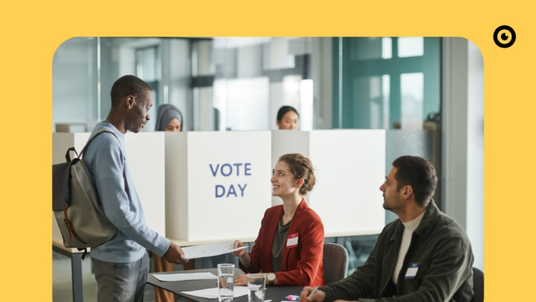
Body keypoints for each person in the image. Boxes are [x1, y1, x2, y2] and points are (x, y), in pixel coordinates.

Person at [300, 155, 474, 302]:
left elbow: (429, 298)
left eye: (388, 182)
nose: (381, 188)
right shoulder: (392, 231)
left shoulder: (451, 240)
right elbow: (365, 278)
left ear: (406, 192)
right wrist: (325, 292)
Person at [83, 75, 189, 302]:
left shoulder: (115, 138)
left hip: (133, 254)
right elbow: (118, 211)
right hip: (118, 260)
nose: (149, 115)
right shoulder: (107, 143)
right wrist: (162, 246)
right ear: (130, 102)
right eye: (147, 107)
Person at [231, 153, 325, 287]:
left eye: (281, 174)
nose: (272, 179)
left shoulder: (311, 222)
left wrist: (262, 278)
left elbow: (305, 276)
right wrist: (243, 255)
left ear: (298, 182)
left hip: (301, 295)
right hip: (271, 292)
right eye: (274, 173)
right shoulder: (270, 215)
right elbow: (255, 265)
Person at [151, 103, 184, 302]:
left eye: (177, 127)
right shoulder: (151, 150)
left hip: (182, 217)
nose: (174, 132)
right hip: (161, 218)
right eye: (169, 127)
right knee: (164, 270)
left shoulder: (187, 150)